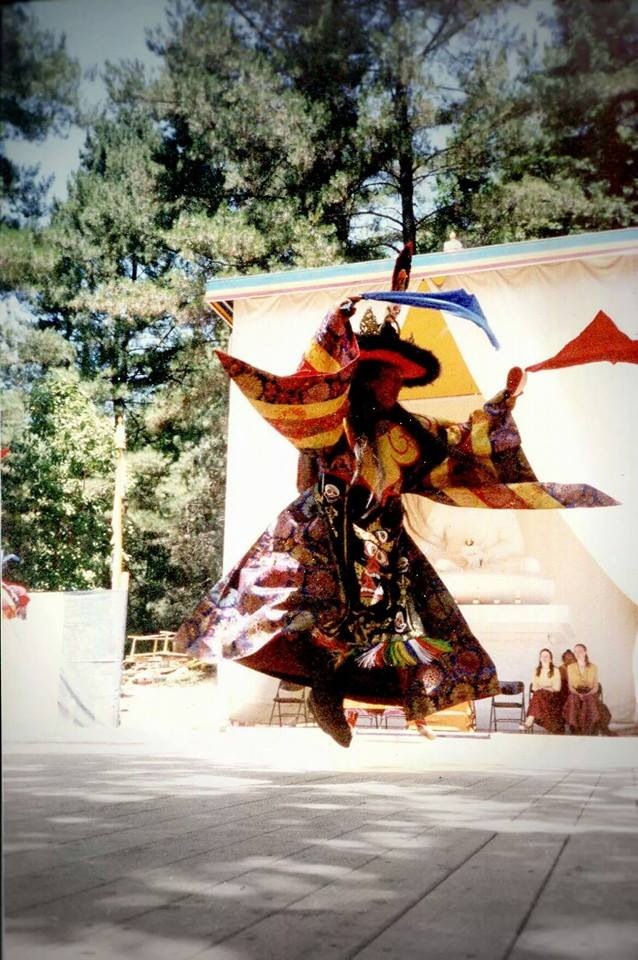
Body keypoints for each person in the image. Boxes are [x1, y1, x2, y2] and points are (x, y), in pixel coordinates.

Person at [176, 253, 616, 748]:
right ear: (362, 376)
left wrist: (502, 403)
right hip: (326, 528)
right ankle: (322, 681)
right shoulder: (331, 422)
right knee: (295, 604)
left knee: (400, 626)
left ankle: (336, 687)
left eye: (398, 380)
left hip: (385, 541)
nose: (392, 385)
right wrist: (336, 320)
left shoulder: (413, 434)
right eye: (383, 376)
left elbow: (464, 446)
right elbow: (308, 438)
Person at [563, 643, 613, 735]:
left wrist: (588, 694)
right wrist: (578, 694)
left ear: (585, 652)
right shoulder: (570, 667)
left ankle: (591, 728)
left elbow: (596, 686)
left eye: (580, 651)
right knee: (573, 699)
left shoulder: (593, 667)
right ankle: (575, 728)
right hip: (575, 692)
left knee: (589, 699)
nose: (577, 653)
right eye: (575, 651)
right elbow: (570, 686)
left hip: (590, 692)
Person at [522, 648, 563, 733]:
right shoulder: (537, 670)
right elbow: (534, 687)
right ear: (540, 658)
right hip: (540, 696)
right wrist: (546, 687)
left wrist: (544, 688)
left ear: (551, 659)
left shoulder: (555, 670)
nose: (544, 658)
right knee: (539, 694)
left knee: (538, 695)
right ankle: (530, 720)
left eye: (546, 656)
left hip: (552, 698)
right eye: (542, 656)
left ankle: (529, 720)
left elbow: (557, 688)